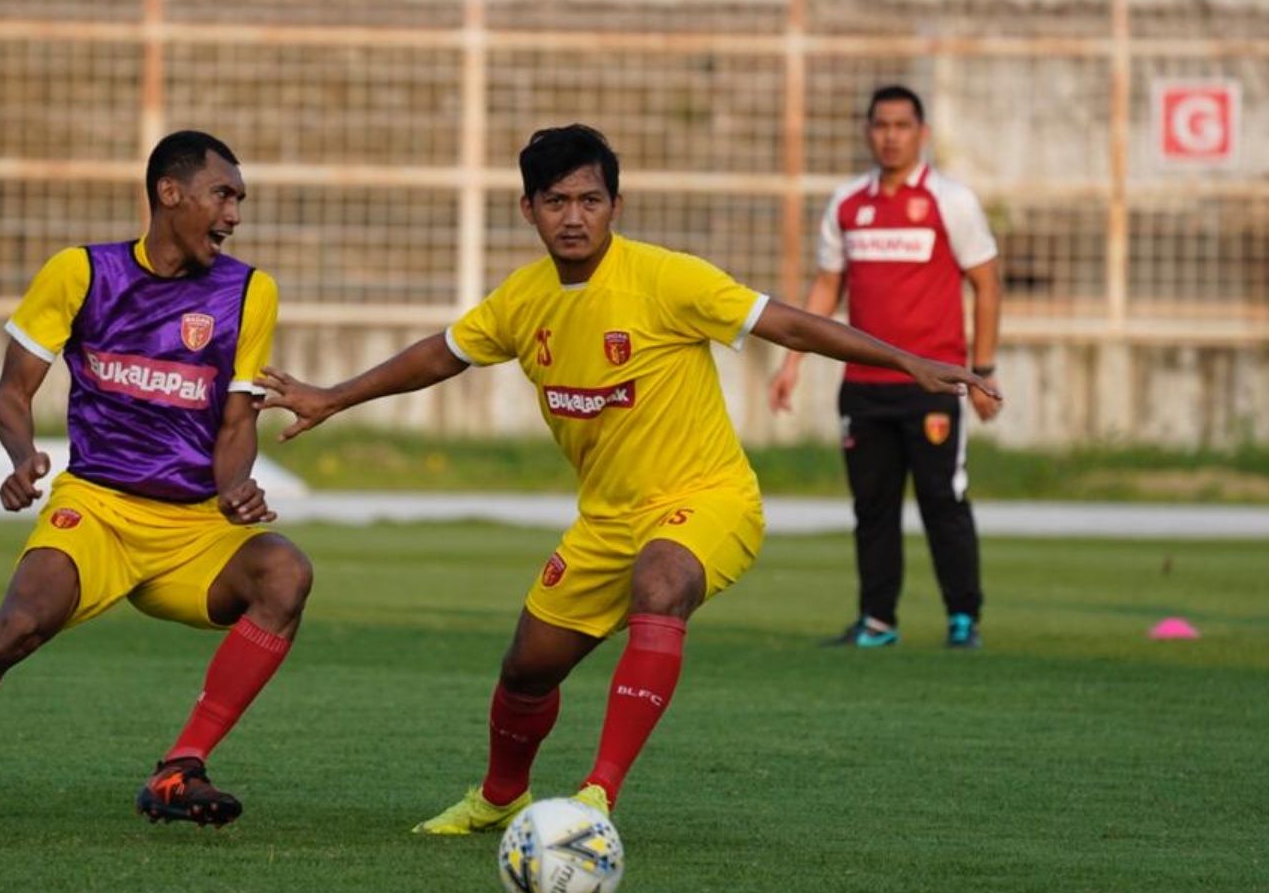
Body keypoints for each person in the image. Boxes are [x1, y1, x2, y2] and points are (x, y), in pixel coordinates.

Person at [256, 124, 995, 832]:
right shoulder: (524, 298)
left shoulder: (668, 279)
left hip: (708, 499)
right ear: (528, 209)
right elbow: (442, 353)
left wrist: (903, 359)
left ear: (616, 204)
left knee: (662, 578)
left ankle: (597, 792)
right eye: (556, 202)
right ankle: (499, 798)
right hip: (606, 519)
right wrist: (333, 396)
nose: (573, 218)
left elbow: (788, 323)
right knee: (525, 671)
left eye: (589, 200)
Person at [0, 130, 312, 837]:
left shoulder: (249, 291)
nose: (234, 215)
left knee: (286, 572)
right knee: (16, 624)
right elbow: (12, 392)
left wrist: (238, 486)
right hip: (97, 508)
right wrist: (21, 456)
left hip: (194, 528)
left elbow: (237, 421)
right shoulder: (81, 273)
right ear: (169, 193)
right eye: (223, 195)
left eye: (239, 200)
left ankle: (181, 766)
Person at [766, 85, 1003, 650]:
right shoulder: (848, 203)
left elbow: (987, 283)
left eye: (901, 125)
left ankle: (962, 618)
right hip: (864, 387)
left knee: (943, 501)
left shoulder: (951, 200)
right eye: (880, 125)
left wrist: (983, 373)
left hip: (934, 382)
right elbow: (827, 285)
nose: (890, 136)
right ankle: (877, 620)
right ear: (868, 131)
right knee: (872, 508)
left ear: (921, 133)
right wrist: (792, 361)